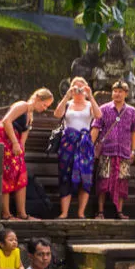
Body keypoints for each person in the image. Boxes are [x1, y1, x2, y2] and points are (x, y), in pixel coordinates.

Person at [0, 88, 54, 220]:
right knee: (6, 174)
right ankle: (6, 214)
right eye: (44, 105)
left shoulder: (30, 115)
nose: (44, 108)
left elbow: (23, 139)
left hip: (15, 143)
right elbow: (6, 121)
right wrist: (14, 142)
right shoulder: (23, 105)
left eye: (47, 106)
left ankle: (22, 214)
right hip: (5, 138)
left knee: (21, 175)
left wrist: (21, 153)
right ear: (37, 98)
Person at [53, 76, 102, 219]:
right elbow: (57, 114)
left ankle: (81, 212)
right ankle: (64, 212)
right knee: (65, 176)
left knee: (85, 177)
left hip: (84, 145)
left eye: (81, 88)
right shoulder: (67, 104)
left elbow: (98, 116)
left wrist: (91, 97)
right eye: (76, 88)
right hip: (68, 144)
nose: (78, 91)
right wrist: (67, 95)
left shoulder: (89, 105)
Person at [91, 80, 135, 219]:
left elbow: (134, 131)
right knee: (103, 180)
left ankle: (119, 211)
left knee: (122, 181)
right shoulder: (104, 109)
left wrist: (132, 150)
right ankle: (100, 212)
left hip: (124, 152)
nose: (117, 94)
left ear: (126, 94)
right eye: (115, 91)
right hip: (107, 151)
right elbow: (96, 127)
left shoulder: (131, 111)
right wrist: (90, 145)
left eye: (120, 91)